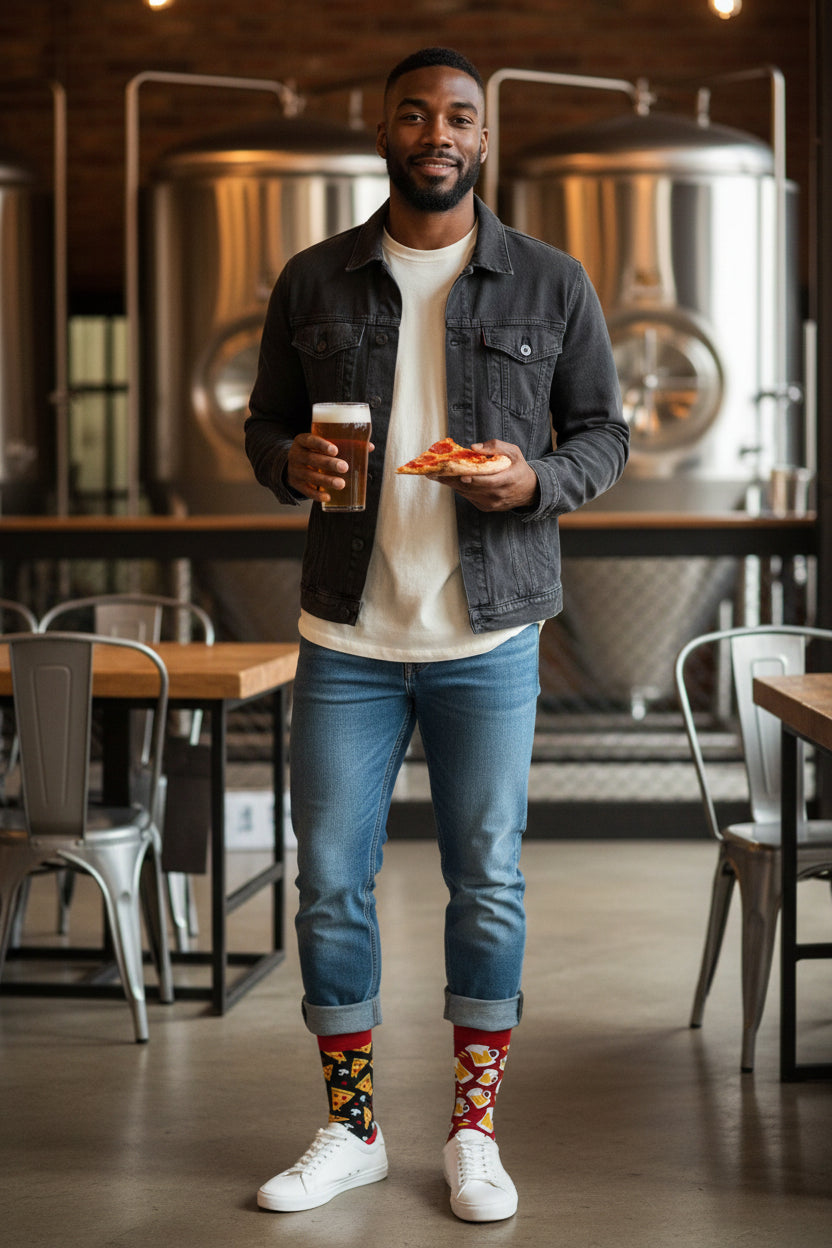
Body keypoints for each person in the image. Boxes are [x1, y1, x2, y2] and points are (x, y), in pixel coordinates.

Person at [245, 46, 629, 1223]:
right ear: (385, 131)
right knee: (332, 887)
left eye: (458, 114)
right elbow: (263, 427)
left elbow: (603, 437)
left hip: (488, 636)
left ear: (482, 136)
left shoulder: (552, 282)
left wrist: (537, 482)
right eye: (415, 113)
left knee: (488, 884)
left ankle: (473, 1131)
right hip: (346, 633)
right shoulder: (315, 280)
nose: (437, 131)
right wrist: (286, 462)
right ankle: (351, 1128)